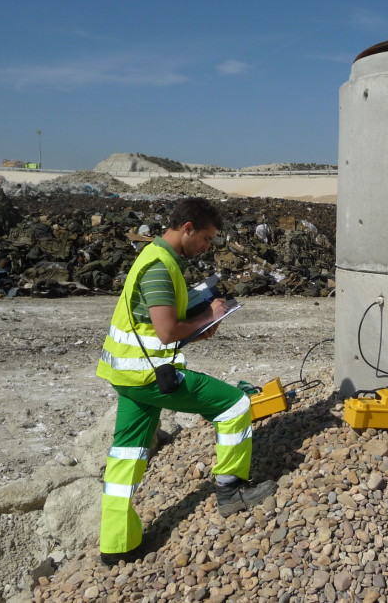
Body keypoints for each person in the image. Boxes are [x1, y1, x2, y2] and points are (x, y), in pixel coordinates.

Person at [95, 197, 275, 566]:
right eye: (207, 238)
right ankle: (231, 489)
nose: (209, 246)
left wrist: (197, 330)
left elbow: (154, 329)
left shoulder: (156, 259)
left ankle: (117, 546)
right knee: (236, 404)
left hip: (126, 375)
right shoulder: (159, 268)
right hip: (148, 376)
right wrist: (205, 316)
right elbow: (165, 332)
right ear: (188, 228)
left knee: (127, 454)